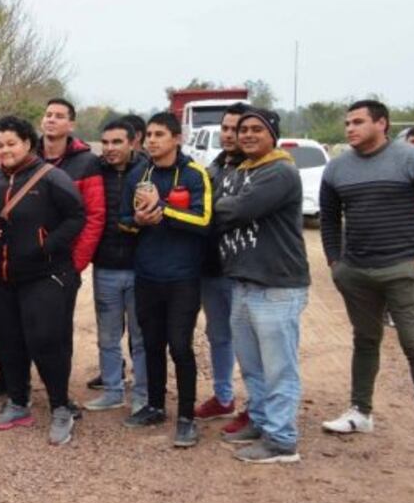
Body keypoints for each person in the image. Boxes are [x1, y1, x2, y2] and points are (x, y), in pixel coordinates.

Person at [320, 100, 414, 459]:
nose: (349, 129)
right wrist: (334, 261)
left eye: (358, 122)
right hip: (356, 271)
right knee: (366, 340)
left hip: (403, 269)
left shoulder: (411, 160)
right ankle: (361, 412)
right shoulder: (338, 168)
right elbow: (329, 218)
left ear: (382, 124)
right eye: (347, 123)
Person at [0, 116, 86, 444]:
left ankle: (60, 406)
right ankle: (18, 401)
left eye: (10, 144)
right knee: (9, 341)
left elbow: (77, 216)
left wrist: (46, 245)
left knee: (47, 341)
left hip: (43, 275)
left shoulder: (51, 178)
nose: (3, 150)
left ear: (28, 144)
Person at [215, 108, 310, 463]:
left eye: (257, 129)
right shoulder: (242, 171)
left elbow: (237, 210)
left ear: (273, 134)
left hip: (276, 284)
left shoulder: (279, 171)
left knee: (279, 367)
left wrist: (207, 205)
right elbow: (229, 203)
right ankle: (260, 420)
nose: (248, 135)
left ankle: (282, 440)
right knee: (252, 365)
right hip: (243, 282)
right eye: (243, 130)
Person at [121, 112, 212, 448]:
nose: (152, 141)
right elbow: (123, 221)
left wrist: (163, 210)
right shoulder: (138, 174)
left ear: (177, 138)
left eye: (160, 134)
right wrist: (139, 221)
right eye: (149, 135)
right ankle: (155, 406)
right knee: (152, 343)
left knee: (180, 345)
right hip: (147, 275)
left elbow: (203, 220)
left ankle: (187, 416)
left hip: (183, 277)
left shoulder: (193, 174)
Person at [39, 98, 105, 400]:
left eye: (59, 116)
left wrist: (76, 263)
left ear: (71, 124)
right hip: (29, 261)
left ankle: (60, 395)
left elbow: (94, 217)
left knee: (58, 332)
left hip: (64, 264)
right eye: (48, 114)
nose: (51, 120)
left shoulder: (86, 162)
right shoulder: (29, 156)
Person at [85, 120, 147, 413]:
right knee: (108, 335)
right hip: (106, 266)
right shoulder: (95, 170)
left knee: (140, 336)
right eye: (105, 142)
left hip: (141, 267)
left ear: (133, 142)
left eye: (117, 142)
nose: (110, 148)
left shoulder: (148, 171)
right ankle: (112, 390)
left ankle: (143, 394)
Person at [195, 103, 248, 423]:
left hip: (244, 271)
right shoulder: (213, 168)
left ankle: (257, 406)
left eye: (237, 129)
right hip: (211, 268)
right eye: (226, 128)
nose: (230, 135)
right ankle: (224, 396)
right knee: (219, 335)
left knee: (249, 339)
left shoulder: (260, 170)